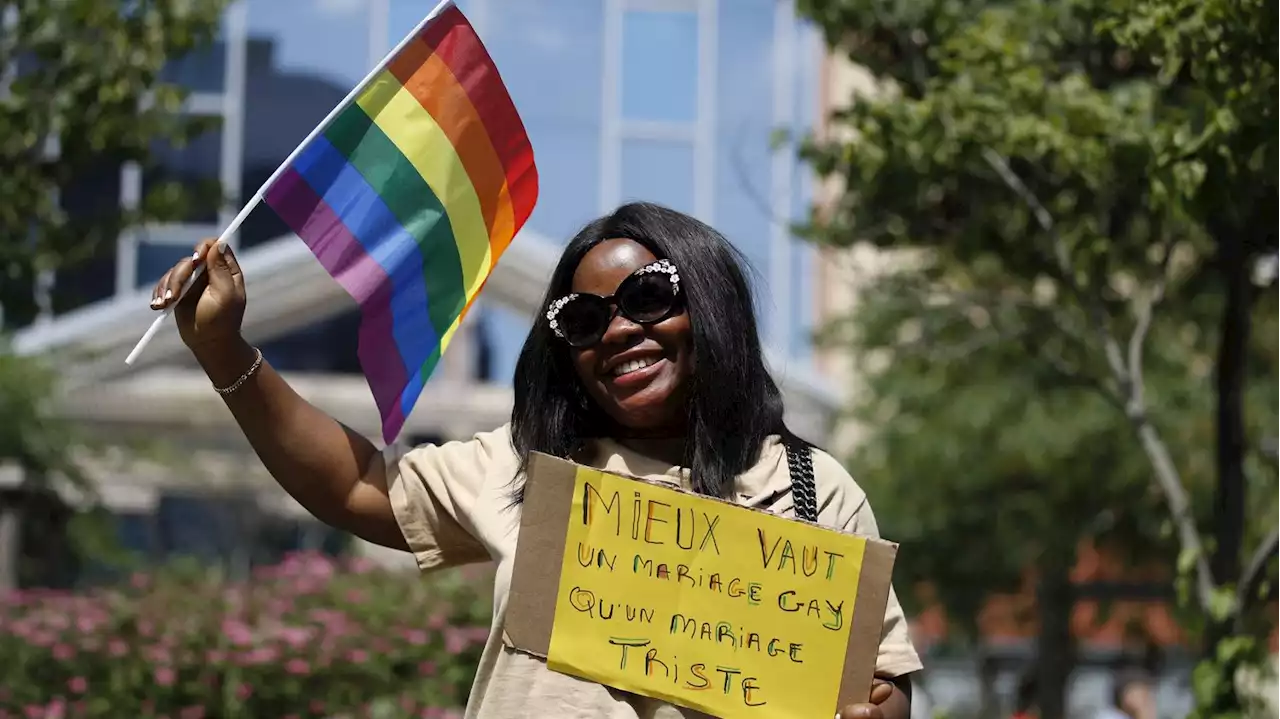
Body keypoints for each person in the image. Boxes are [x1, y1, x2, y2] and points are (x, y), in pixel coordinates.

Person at [150, 202, 923, 718]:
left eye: (650, 297)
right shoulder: (526, 467)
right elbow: (355, 484)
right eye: (584, 319)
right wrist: (224, 350)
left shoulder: (811, 488)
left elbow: (882, 686)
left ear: (710, 304)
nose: (618, 331)